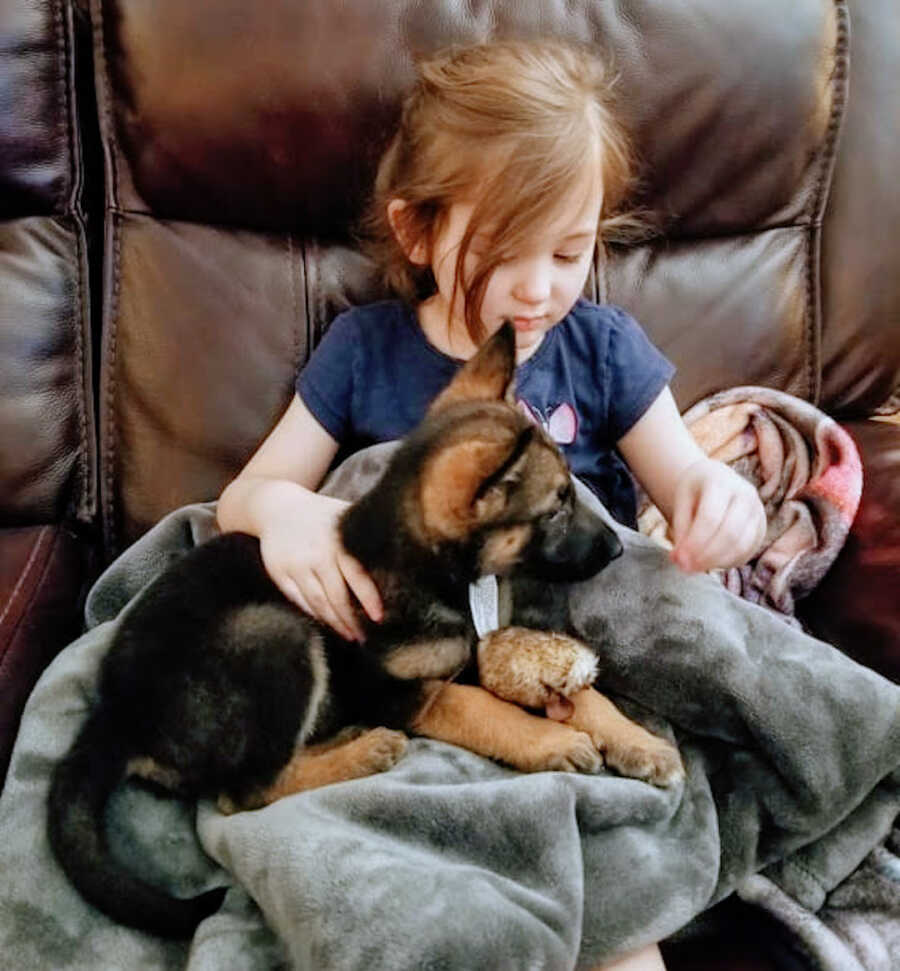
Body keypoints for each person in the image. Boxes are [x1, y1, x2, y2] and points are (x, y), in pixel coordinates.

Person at [217, 38, 766, 971]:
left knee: (615, 897)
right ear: (420, 231)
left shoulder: (602, 350)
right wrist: (285, 513)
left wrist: (724, 503)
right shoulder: (363, 351)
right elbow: (245, 495)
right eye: (507, 250)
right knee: (402, 893)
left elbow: (686, 483)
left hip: (571, 664)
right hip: (422, 687)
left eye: (569, 247)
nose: (542, 285)